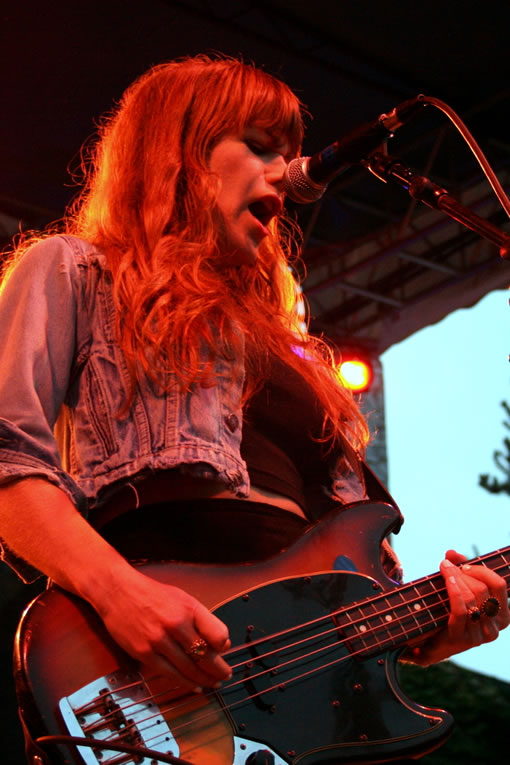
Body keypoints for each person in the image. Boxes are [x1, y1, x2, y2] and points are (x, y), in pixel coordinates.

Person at [0, 55, 508, 761]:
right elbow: (7, 461)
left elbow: (352, 591)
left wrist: (440, 626)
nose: (287, 173)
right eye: (261, 147)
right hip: (134, 659)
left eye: (290, 153)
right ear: (178, 151)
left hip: (293, 708)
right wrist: (120, 594)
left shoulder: (298, 356)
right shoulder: (74, 270)